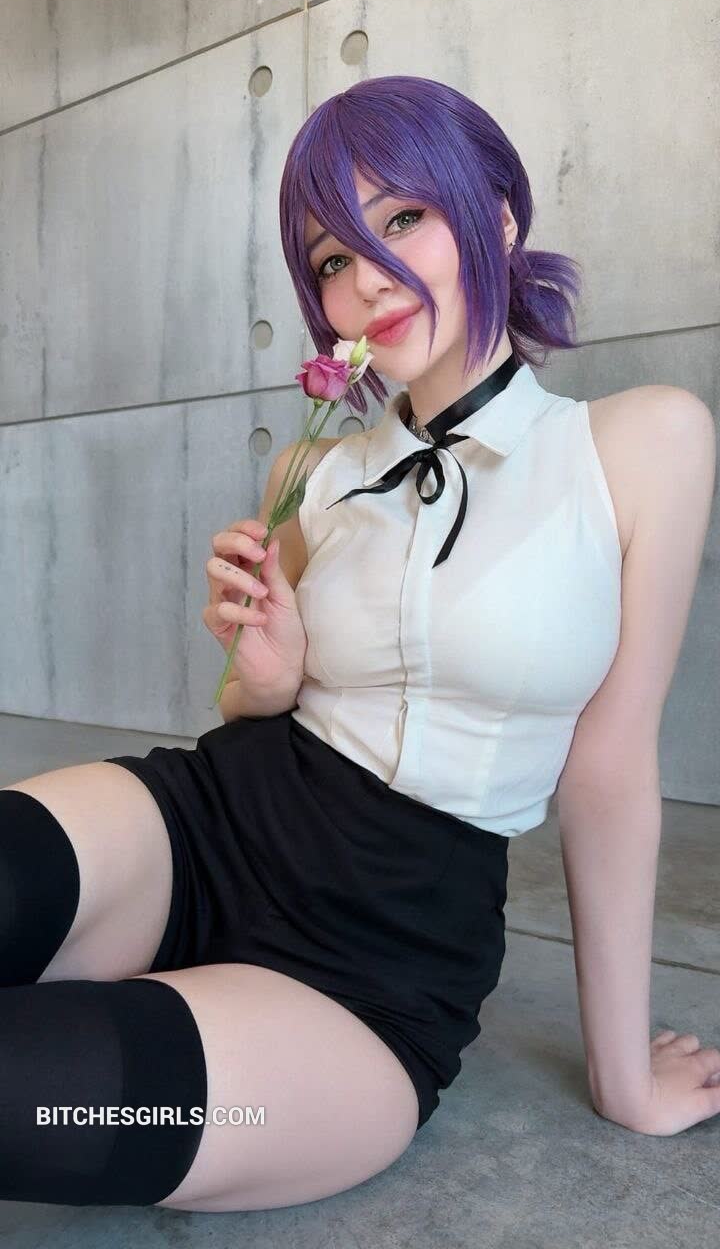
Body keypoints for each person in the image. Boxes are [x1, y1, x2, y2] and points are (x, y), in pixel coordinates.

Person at [1, 75, 718, 1215]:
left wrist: (624, 1074)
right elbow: (251, 702)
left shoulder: (640, 444)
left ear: (498, 217)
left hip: (374, 964)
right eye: (332, 256)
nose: (366, 278)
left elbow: (611, 766)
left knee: (39, 1099)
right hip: (208, 824)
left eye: (403, 219)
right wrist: (264, 675)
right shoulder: (310, 471)